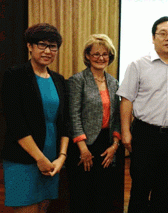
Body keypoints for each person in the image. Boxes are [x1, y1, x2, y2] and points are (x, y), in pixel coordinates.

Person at [117, 16, 168, 213]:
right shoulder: (138, 65)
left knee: (164, 189)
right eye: (163, 33)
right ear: (153, 37)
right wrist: (125, 132)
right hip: (145, 135)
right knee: (140, 189)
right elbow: (126, 99)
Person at [1, 23, 69, 212]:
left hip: (52, 159)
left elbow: (64, 123)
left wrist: (61, 157)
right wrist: (39, 158)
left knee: (43, 207)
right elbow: (16, 123)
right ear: (29, 46)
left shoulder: (59, 80)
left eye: (53, 46)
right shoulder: (15, 75)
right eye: (42, 45)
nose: (48, 50)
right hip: (23, 158)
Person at [66, 34, 121, 213]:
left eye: (105, 54)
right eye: (96, 54)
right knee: (82, 196)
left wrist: (115, 145)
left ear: (110, 56)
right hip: (83, 145)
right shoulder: (78, 80)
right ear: (88, 56)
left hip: (106, 145)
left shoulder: (114, 83)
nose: (100, 58)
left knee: (103, 195)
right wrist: (83, 148)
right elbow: (73, 115)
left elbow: (116, 117)